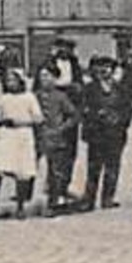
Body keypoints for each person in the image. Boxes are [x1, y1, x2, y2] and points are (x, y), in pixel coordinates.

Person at [80, 54, 132, 210]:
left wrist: (120, 120)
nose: (103, 70)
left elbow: (127, 110)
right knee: (93, 168)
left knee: (113, 166)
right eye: (100, 67)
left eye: (107, 67)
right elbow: (83, 110)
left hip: (115, 134)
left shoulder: (121, 89)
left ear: (112, 70)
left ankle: (108, 198)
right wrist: (96, 115)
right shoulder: (89, 89)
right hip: (96, 134)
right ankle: (89, 199)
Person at [0, 68, 43, 219]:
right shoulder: (3, 98)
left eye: (13, 80)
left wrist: (21, 121)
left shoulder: (29, 97)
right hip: (6, 135)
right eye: (8, 80)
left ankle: (20, 206)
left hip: (23, 135)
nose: (10, 83)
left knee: (22, 171)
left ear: (21, 81)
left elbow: (38, 118)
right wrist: (1, 121)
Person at [35, 66, 82, 214]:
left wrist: (62, 128)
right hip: (37, 137)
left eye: (48, 76)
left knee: (56, 171)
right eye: (42, 76)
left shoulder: (61, 96)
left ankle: (54, 202)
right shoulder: (34, 96)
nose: (44, 79)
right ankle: (24, 201)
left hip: (56, 138)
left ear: (55, 78)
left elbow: (74, 115)